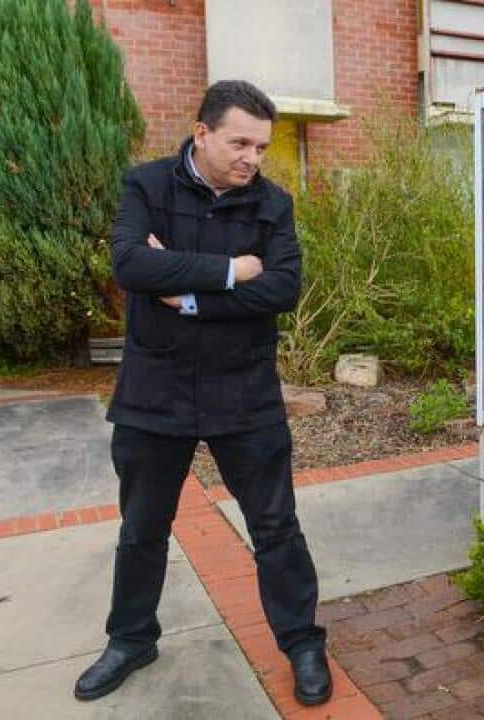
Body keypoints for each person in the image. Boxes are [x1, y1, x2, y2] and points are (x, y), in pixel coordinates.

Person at [74, 80, 330, 707]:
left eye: (261, 147)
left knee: (276, 526)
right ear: (202, 134)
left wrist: (185, 296)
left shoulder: (272, 205)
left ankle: (302, 642)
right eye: (240, 143)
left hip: (244, 392)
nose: (252, 158)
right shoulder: (147, 186)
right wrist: (230, 271)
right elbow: (131, 266)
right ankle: (131, 639)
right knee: (142, 527)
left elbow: (282, 289)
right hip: (153, 392)